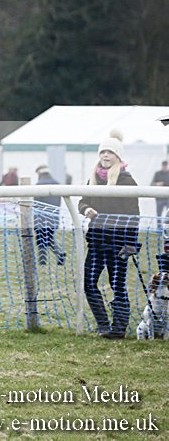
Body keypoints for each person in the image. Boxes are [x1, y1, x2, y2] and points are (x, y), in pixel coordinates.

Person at [78, 129, 140, 339]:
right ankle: (103, 324)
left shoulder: (126, 180)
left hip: (119, 243)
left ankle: (118, 328)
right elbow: (82, 201)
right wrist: (87, 209)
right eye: (102, 152)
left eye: (110, 152)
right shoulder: (93, 178)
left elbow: (134, 214)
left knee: (117, 286)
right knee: (89, 283)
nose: (105, 156)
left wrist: (130, 243)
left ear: (118, 156)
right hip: (96, 241)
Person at [33, 165, 66, 266]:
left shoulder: (38, 185)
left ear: (39, 173)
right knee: (49, 237)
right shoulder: (57, 184)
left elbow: (36, 204)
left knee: (41, 239)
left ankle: (43, 261)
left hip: (41, 218)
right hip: (54, 217)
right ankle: (59, 254)